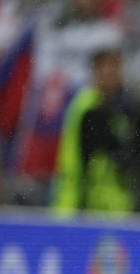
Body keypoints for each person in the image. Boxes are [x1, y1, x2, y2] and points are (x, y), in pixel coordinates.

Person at [52, 48, 134, 214]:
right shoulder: (86, 107)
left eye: (115, 68)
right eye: (105, 68)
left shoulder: (124, 107)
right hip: (83, 202)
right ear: (95, 72)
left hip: (118, 206)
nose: (111, 74)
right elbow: (76, 158)